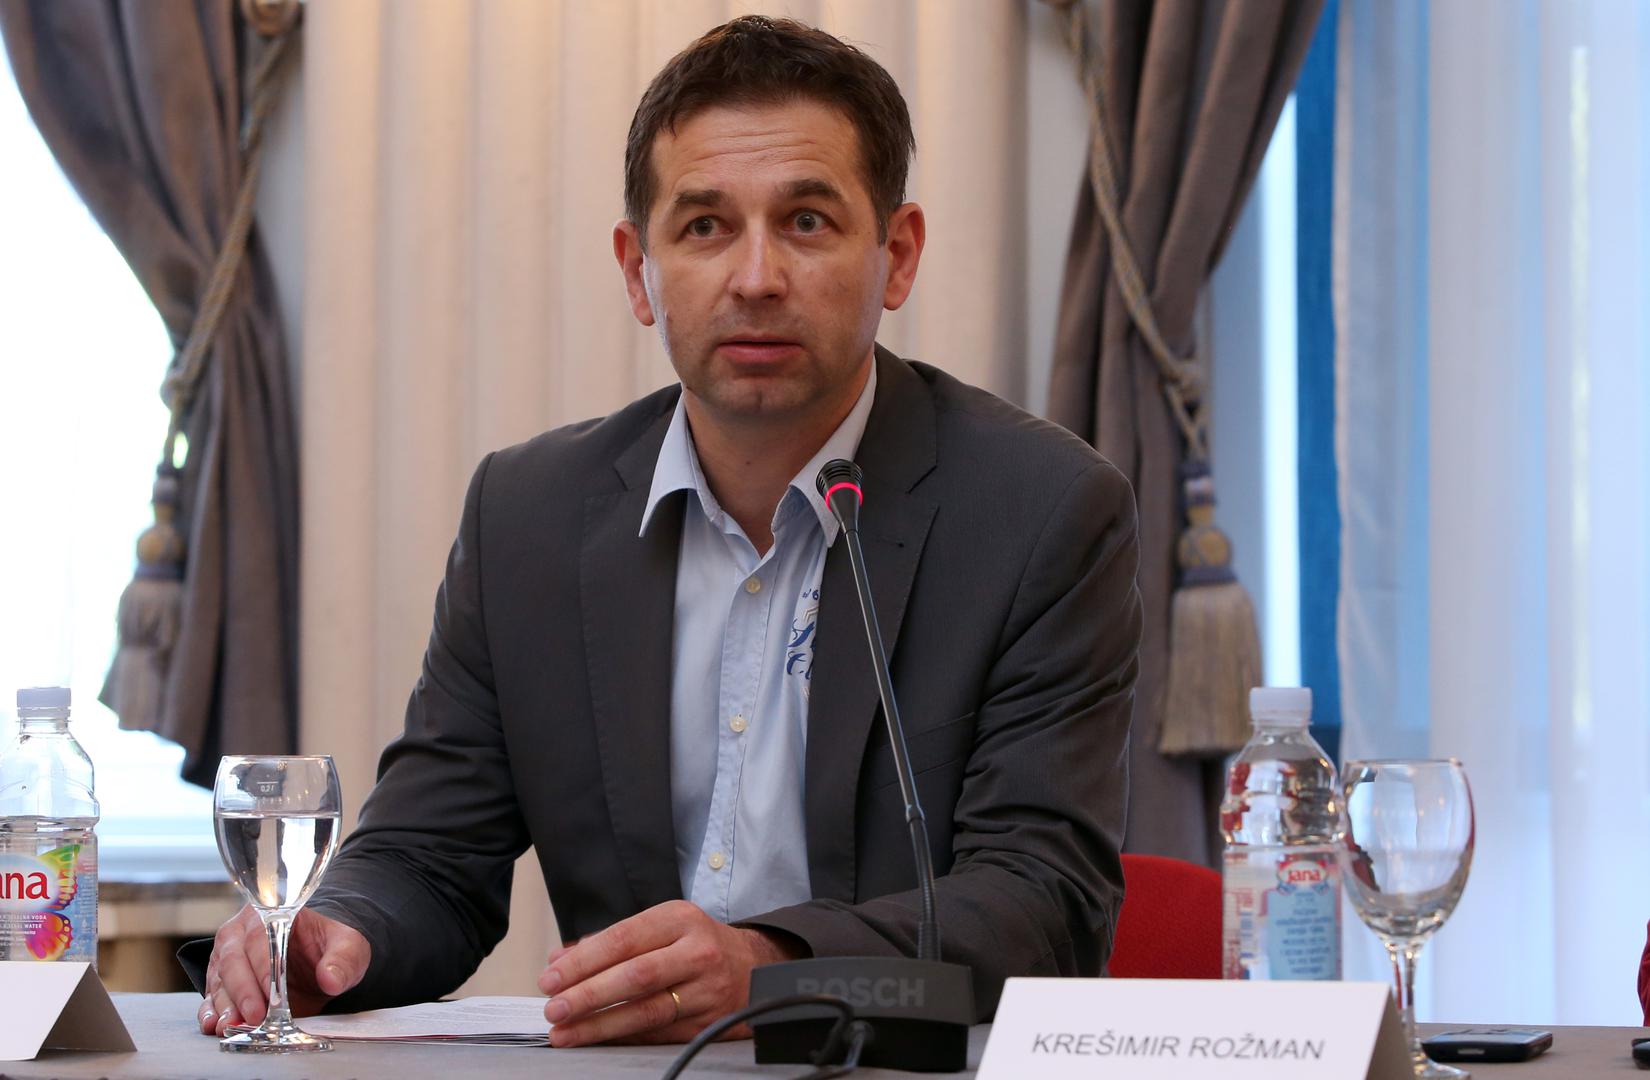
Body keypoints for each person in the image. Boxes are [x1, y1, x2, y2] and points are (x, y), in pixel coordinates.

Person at [192, 15, 1141, 1048]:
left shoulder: (1039, 511)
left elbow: (1044, 906)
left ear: (897, 255)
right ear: (638, 270)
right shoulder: (528, 516)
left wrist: (773, 973)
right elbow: (428, 857)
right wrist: (338, 933)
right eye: (704, 227)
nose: (756, 277)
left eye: (808, 221)